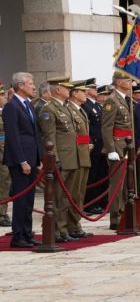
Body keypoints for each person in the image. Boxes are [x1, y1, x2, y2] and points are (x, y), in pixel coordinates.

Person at [38, 76, 81, 243]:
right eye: (66, 87)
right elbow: (49, 137)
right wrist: (53, 159)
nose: (69, 90)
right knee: (56, 197)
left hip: (72, 157)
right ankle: (55, 230)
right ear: (57, 90)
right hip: (61, 158)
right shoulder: (49, 109)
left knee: (66, 197)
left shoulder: (66, 108)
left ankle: (63, 229)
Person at [3, 72, 41, 248]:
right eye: (30, 83)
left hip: (32, 158)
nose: (33, 86)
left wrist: (38, 158)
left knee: (30, 199)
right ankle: (18, 235)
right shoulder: (12, 106)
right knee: (21, 199)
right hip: (20, 160)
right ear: (20, 86)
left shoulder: (28, 104)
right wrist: (22, 161)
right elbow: (13, 136)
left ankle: (27, 232)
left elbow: (34, 134)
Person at [102, 72, 134, 230]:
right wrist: (110, 149)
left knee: (127, 184)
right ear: (119, 82)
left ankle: (125, 213)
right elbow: (107, 127)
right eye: (127, 80)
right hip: (117, 146)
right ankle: (115, 217)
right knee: (117, 185)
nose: (130, 82)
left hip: (127, 145)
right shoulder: (112, 100)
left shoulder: (126, 99)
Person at [65, 80, 93, 239]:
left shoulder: (80, 110)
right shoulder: (69, 109)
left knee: (79, 194)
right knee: (71, 193)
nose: (86, 93)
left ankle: (75, 224)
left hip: (83, 155)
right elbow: (70, 136)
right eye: (83, 91)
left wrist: (86, 143)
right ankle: (68, 226)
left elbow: (82, 135)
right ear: (75, 93)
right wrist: (84, 143)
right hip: (75, 156)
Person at [82, 82, 106, 214]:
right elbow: (87, 127)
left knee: (99, 175)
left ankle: (97, 202)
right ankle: (89, 203)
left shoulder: (96, 105)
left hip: (100, 145)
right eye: (93, 87)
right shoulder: (86, 105)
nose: (96, 89)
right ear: (86, 90)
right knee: (92, 176)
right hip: (93, 145)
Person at [0, 86, 10, 227]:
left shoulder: (5, 112)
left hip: (4, 156)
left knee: (4, 184)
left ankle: (2, 213)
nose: (5, 97)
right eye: (2, 95)